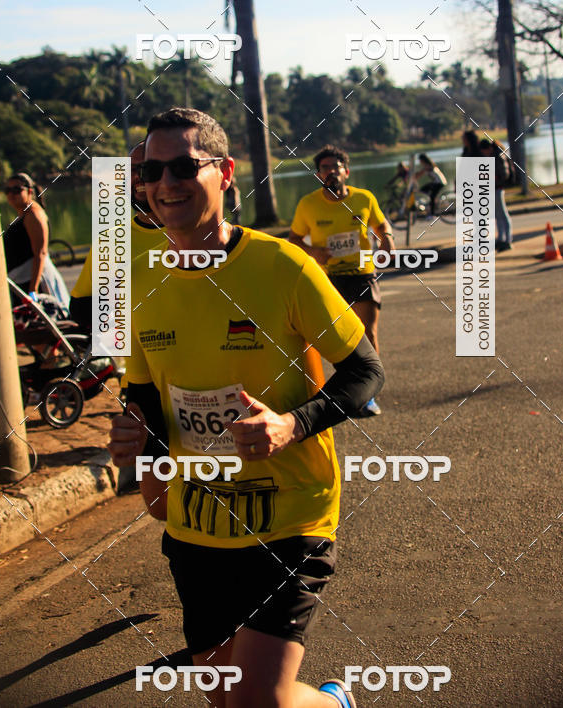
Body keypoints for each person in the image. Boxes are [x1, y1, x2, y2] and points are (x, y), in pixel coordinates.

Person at [109, 108, 383, 708]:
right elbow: (146, 396)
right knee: (228, 696)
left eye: (184, 166)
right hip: (197, 526)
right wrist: (137, 438)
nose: (165, 183)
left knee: (255, 702)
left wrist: (291, 424)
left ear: (226, 172)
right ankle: (331, 702)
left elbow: (366, 370)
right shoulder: (141, 282)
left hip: (288, 520)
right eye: (151, 171)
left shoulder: (281, 266)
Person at [288, 145, 394, 417]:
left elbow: (381, 225)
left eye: (336, 167)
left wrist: (388, 241)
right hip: (329, 279)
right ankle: (345, 389)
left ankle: (368, 395)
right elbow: (295, 240)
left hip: (362, 274)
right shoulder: (308, 204)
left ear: (346, 171)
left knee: (367, 333)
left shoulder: (363, 198)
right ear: (318, 174)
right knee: (333, 338)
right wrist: (314, 252)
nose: (331, 172)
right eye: (325, 168)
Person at [69, 141, 165, 331]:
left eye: (147, 168)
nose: (138, 176)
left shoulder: (195, 234)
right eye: (130, 170)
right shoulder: (109, 241)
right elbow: (79, 310)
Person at [3, 171, 70, 310]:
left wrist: (33, 291)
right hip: (21, 281)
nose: (11, 194)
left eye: (16, 189)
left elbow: (41, 253)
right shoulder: (24, 213)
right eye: (7, 190)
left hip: (34, 283)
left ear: (29, 191)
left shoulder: (33, 214)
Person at [480, 138, 513, 251]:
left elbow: (504, 173)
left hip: (498, 187)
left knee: (502, 214)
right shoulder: (493, 155)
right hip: (494, 187)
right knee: (497, 215)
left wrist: (495, 178)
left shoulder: (498, 156)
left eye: (484, 151)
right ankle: (501, 238)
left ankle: (507, 240)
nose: (484, 154)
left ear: (488, 148)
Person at [414, 153, 447, 218]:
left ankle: (432, 214)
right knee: (424, 191)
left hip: (439, 183)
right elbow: (419, 173)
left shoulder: (428, 166)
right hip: (436, 182)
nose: (419, 162)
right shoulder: (429, 165)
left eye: (420, 160)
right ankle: (432, 203)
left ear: (422, 160)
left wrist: (414, 177)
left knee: (431, 196)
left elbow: (421, 173)